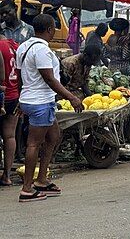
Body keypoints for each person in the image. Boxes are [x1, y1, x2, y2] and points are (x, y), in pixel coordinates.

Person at [16, 14, 83, 202]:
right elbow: (50, 79)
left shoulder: (23, 47)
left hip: (33, 100)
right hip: (40, 102)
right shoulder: (43, 52)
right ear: (50, 30)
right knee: (34, 144)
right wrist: (72, 98)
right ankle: (27, 189)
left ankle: (42, 180)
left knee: (53, 136)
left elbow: (20, 76)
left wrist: (22, 98)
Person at [0, 31, 20, 187]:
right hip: (14, 95)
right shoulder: (15, 46)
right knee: (9, 136)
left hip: (2, 94)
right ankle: (6, 176)